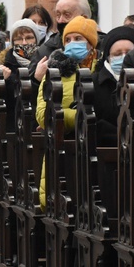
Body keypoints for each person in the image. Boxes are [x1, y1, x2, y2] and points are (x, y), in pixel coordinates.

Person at [35, 16, 100, 210]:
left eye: (78, 39)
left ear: (91, 43)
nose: (72, 44)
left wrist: (68, 116)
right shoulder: (55, 71)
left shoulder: (101, 70)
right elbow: (43, 113)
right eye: (68, 40)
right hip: (62, 147)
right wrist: (80, 117)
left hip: (95, 145)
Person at [92, 26, 134, 146]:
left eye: (129, 53)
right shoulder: (94, 82)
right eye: (117, 54)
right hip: (106, 151)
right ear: (108, 57)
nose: (124, 57)